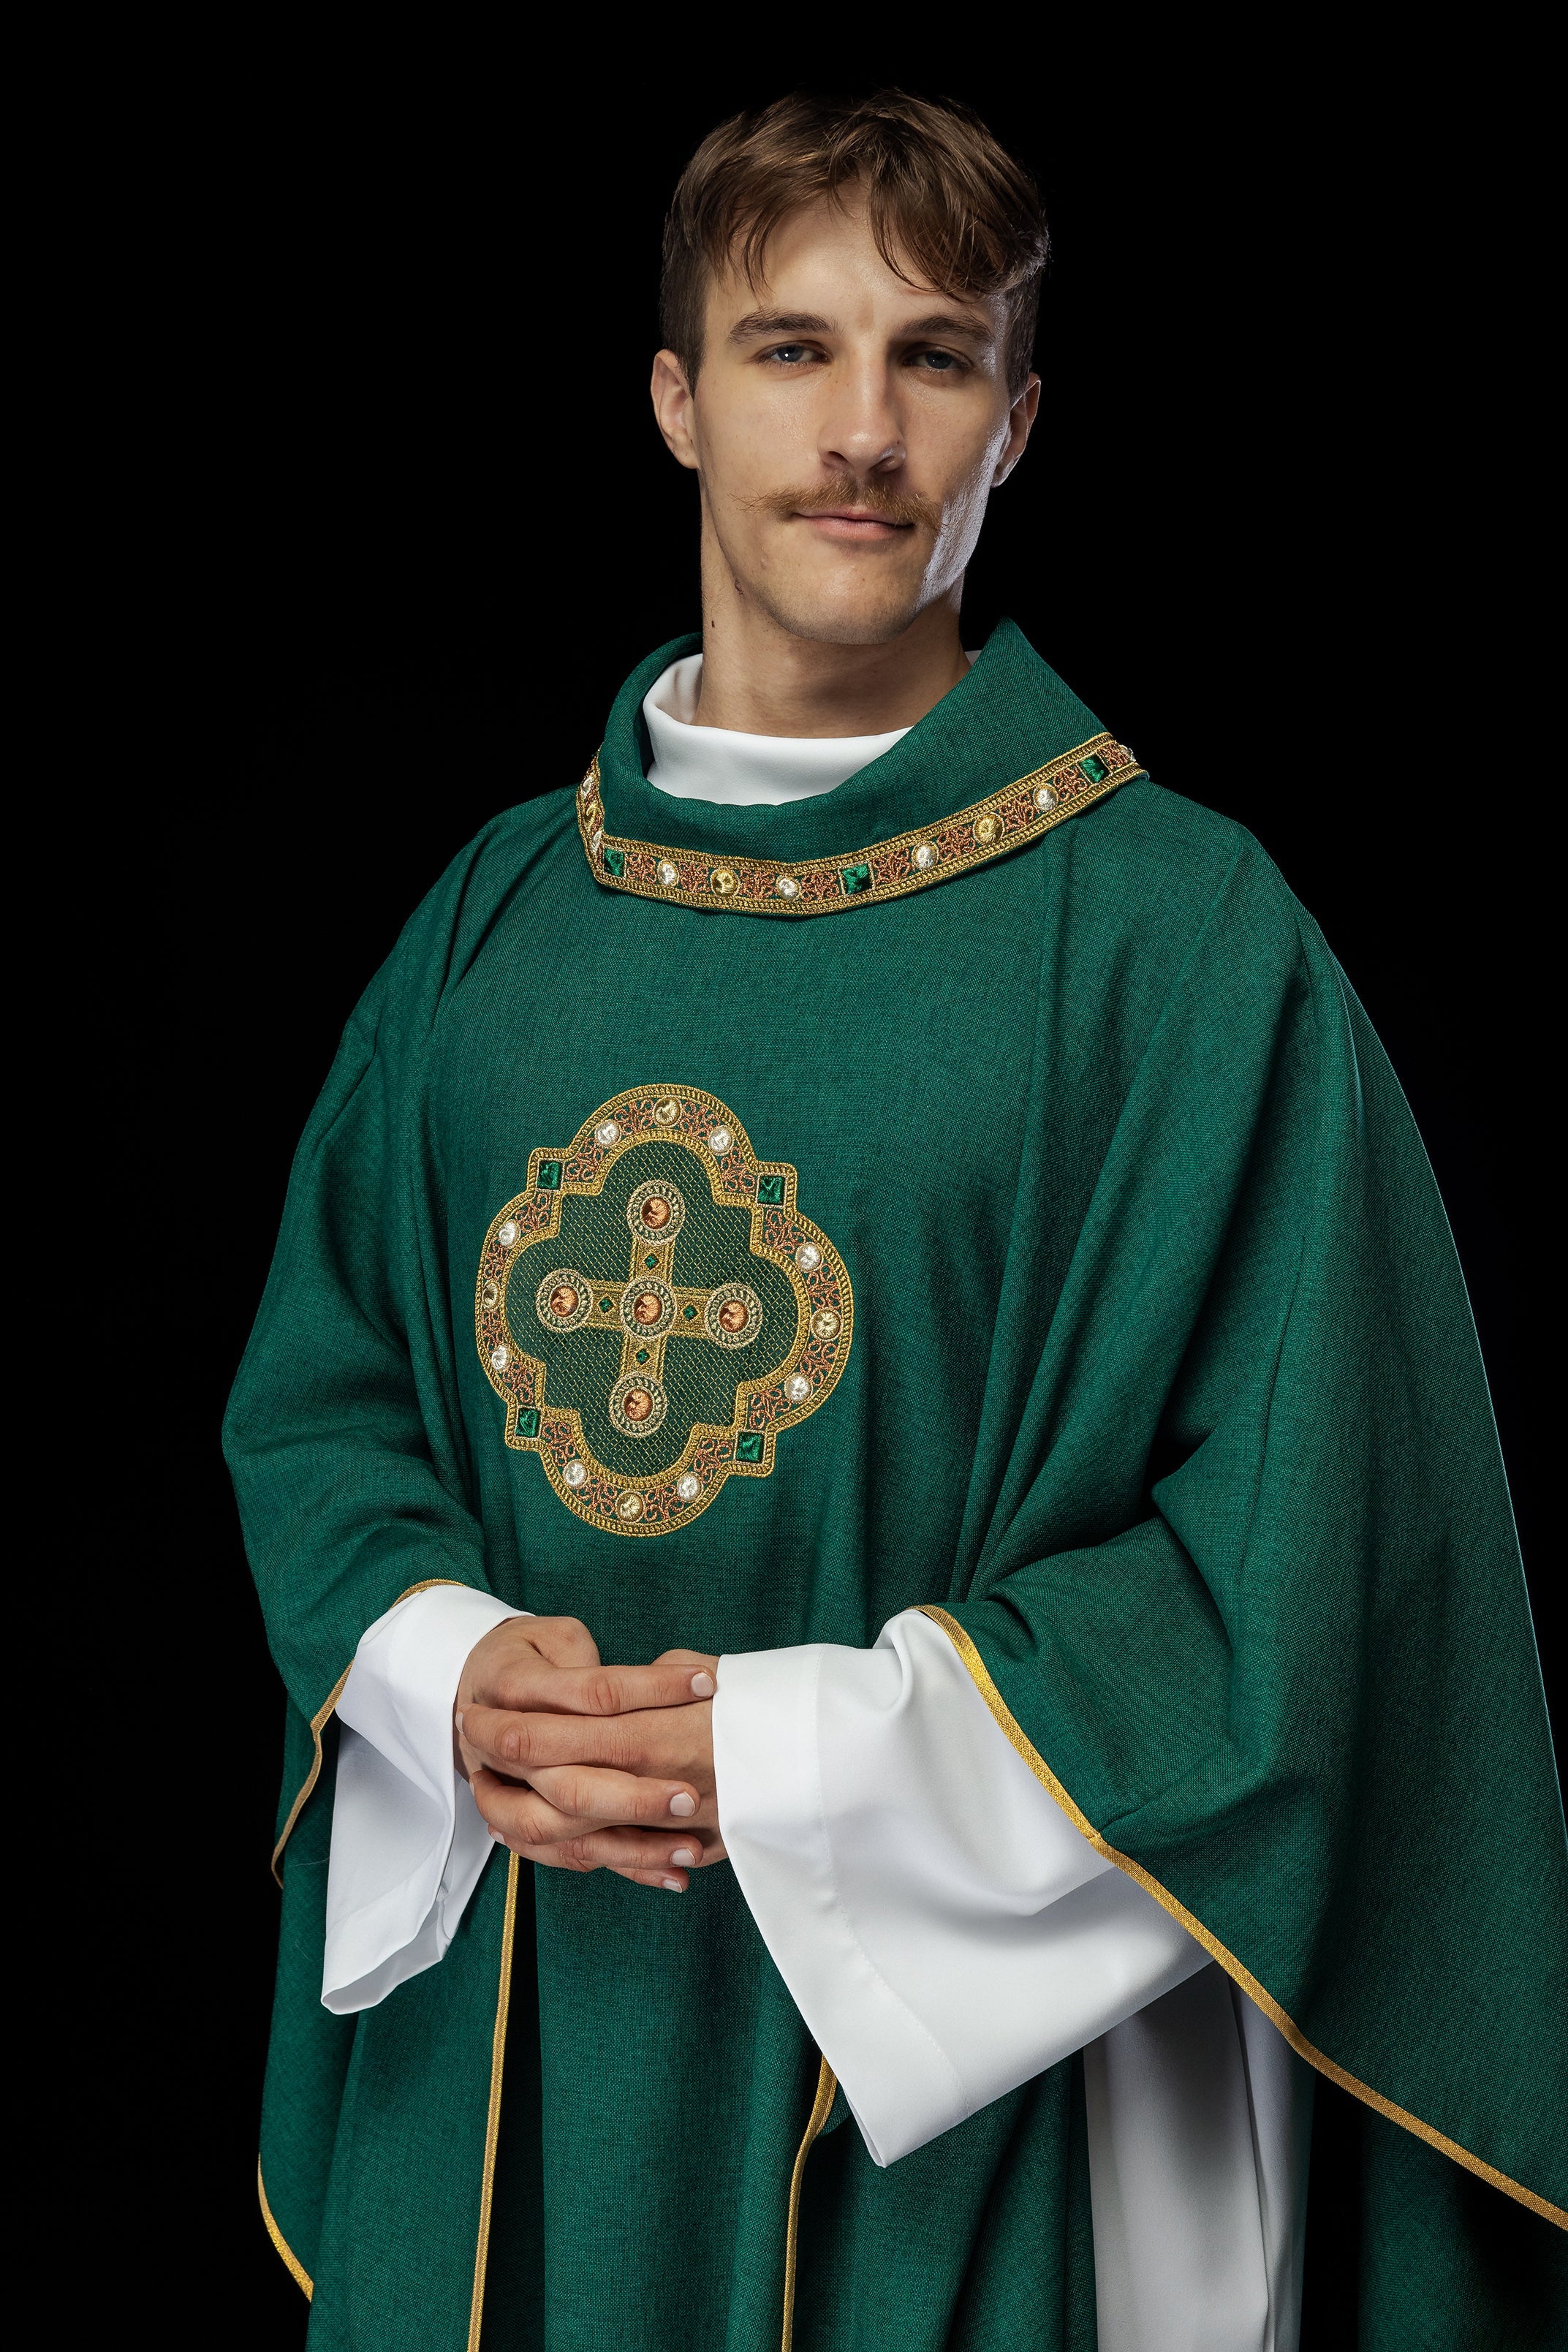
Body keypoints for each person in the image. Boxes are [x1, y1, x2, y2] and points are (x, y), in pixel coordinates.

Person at [225, 88, 1567, 2352]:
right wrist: (445, 1676)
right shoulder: (495, 916)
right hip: (531, 2005)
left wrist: (815, 1749)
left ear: (1016, 422)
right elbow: (325, 1393)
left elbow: (1310, 1556)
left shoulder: (1176, 936)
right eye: (788, 348)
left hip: (981, 2045)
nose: (861, 431)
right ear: (671, 398)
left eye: (933, 359)